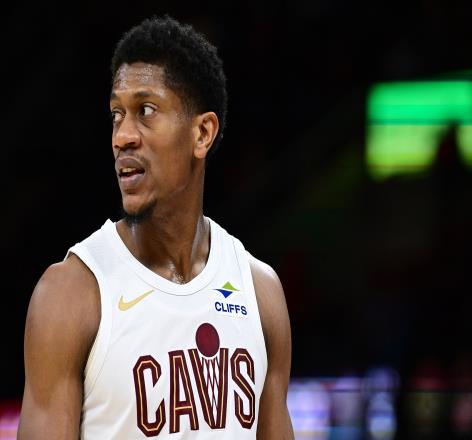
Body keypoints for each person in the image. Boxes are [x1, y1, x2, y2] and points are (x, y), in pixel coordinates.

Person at [17, 14, 294, 439]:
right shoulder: (71, 295)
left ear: (202, 133)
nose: (122, 136)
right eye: (116, 114)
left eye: (145, 111)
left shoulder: (260, 292)